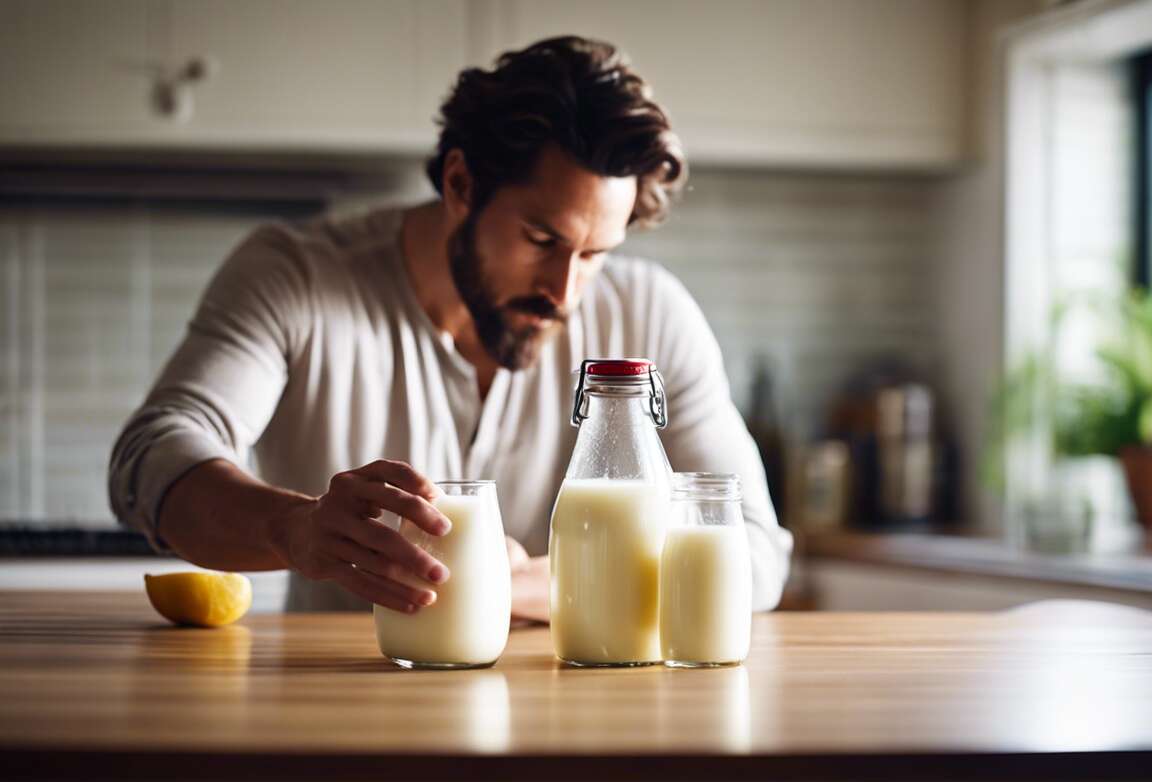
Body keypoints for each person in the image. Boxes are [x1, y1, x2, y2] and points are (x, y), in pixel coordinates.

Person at [109, 35, 791, 619]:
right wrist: (294, 527)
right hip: (335, 709)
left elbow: (756, 548)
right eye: (539, 238)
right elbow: (152, 457)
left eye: (595, 255)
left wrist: (547, 584)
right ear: (461, 184)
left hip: (576, 722)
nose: (564, 290)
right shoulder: (295, 277)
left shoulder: (652, 317)